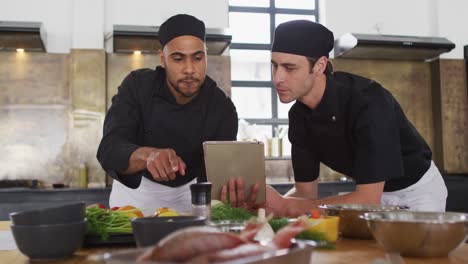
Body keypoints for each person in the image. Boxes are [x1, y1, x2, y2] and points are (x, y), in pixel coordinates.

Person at [222, 20, 447, 217]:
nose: (278, 78)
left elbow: (367, 200)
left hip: (418, 193)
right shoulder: (298, 116)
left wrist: (284, 206)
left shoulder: (369, 102)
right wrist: (266, 203)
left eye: (289, 68)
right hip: (370, 196)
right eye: (275, 66)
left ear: (319, 66)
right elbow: (304, 194)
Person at [97, 14, 238, 215]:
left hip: (191, 202)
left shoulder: (222, 108)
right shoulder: (137, 87)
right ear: (163, 59)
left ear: (206, 56)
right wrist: (147, 155)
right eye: (178, 58)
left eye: (198, 58)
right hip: (136, 199)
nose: (189, 69)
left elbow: (221, 175)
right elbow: (109, 149)